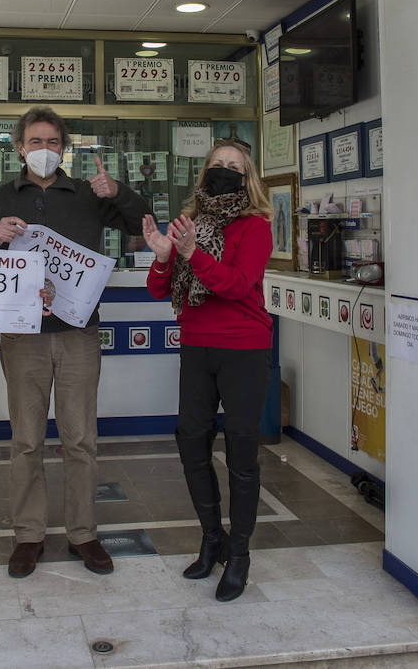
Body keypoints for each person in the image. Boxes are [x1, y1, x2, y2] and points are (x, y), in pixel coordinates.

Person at [0, 106, 150, 578]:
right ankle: (28, 536)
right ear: (19, 148)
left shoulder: (90, 195)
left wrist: (120, 192)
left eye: (53, 142)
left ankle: (83, 534)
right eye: (36, 142)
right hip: (22, 336)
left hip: (78, 333)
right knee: (26, 440)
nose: (45, 150)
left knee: (80, 440)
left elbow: (142, 224)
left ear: (64, 148)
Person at [142, 137, 274, 601]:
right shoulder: (190, 222)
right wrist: (164, 256)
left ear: (247, 176)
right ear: (203, 173)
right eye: (216, 164)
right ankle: (211, 537)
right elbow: (160, 291)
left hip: (243, 348)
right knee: (191, 443)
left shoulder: (255, 227)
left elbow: (237, 286)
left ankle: (239, 555)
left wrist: (192, 253)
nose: (224, 170)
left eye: (233, 165)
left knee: (242, 456)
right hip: (197, 345)